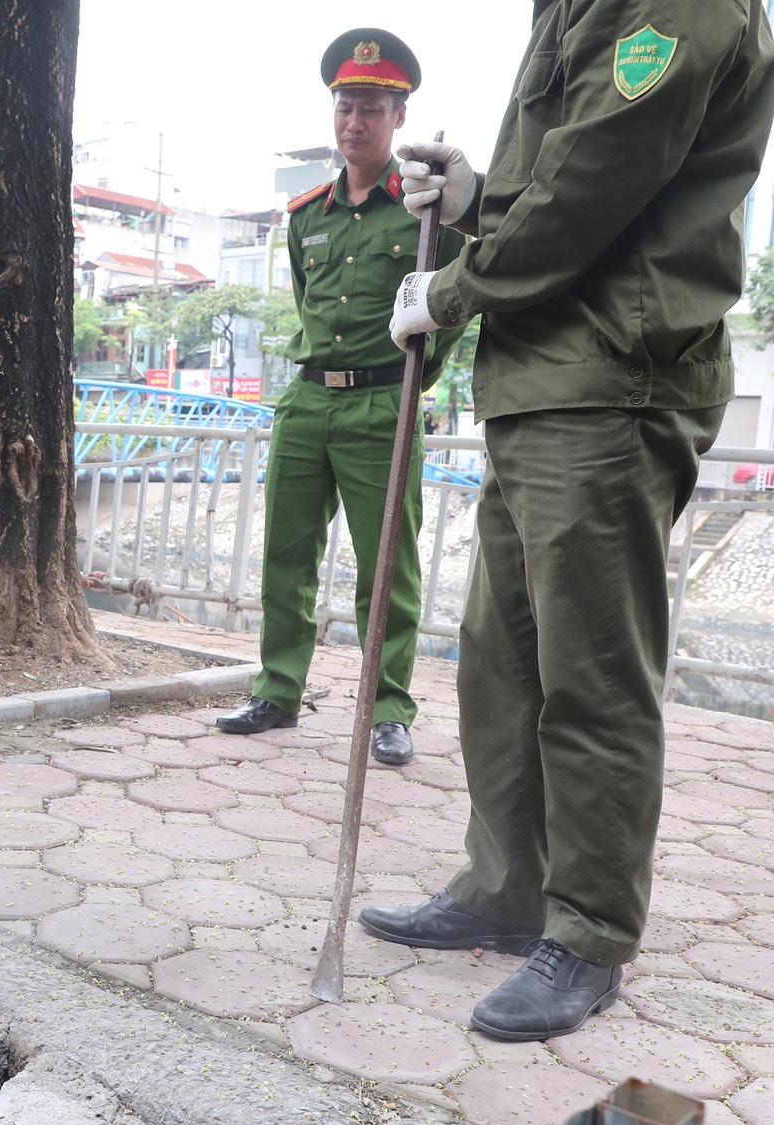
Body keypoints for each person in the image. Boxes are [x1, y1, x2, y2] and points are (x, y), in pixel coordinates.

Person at [362, 0, 774, 1040]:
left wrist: (453, 288)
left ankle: (588, 932)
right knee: (499, 661)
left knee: (589, 675)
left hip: (611, 375)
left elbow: (595, 180)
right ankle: (505, 887)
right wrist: (477, 200)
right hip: (540, 377)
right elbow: (559, 171)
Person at [215, 29, 465, 769]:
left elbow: (453, 302)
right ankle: (277, 691)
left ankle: (387, 710)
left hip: (383, 404)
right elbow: (306, 300)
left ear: (399, 116)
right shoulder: (306, 215)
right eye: (345, 106)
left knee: (386, 567)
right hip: (308, 401)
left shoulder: (425, 211)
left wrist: (417, 379)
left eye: (371, 109)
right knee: (286, 557)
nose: (355, 121)